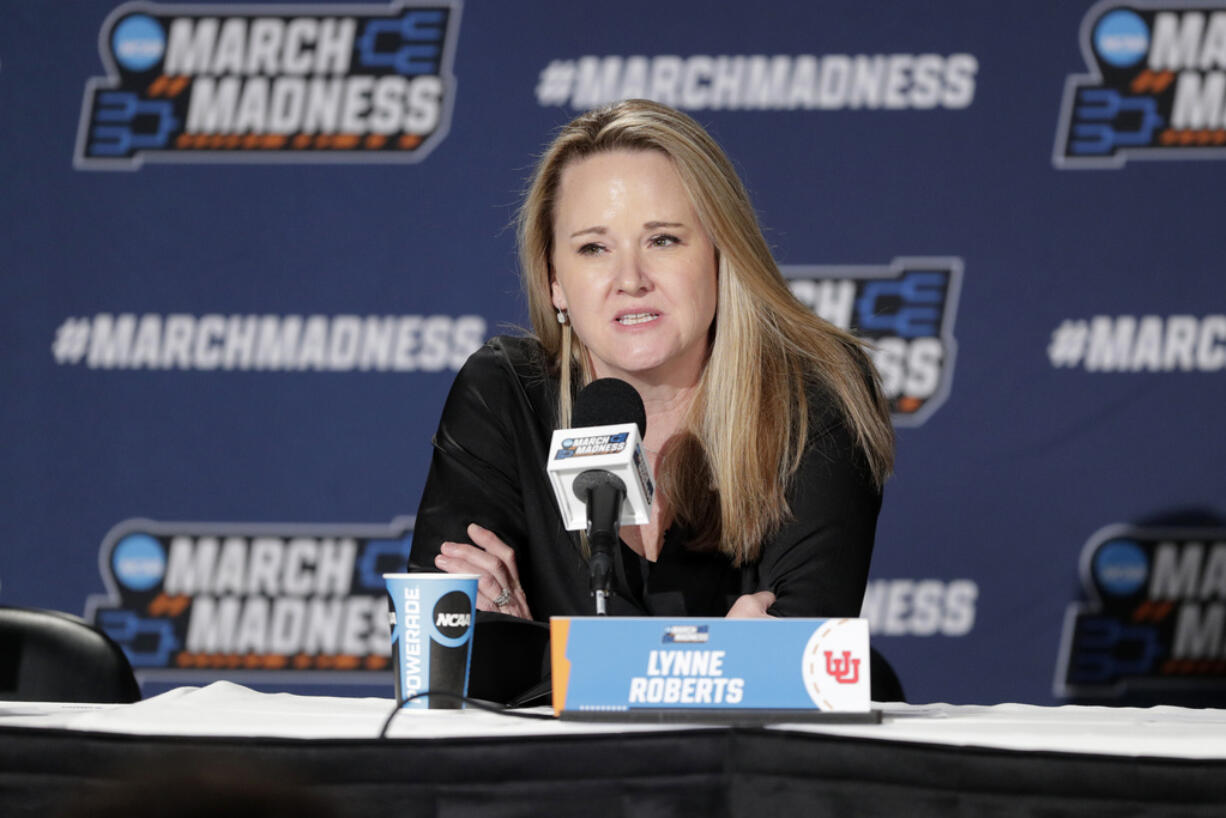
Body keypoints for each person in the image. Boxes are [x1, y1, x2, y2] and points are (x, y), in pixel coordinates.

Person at [410, 99, 893, 629]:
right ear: (555, 281)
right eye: (594, 248)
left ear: (722, 253)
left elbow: (803, 651)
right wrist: (719, 660)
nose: (631, 279)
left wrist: (528, 649)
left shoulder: (812, 393)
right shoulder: (504, 394)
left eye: (663, 240)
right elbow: (441, 638)